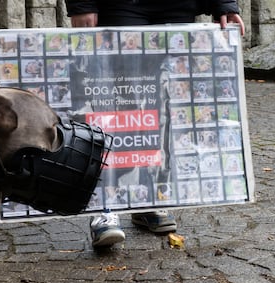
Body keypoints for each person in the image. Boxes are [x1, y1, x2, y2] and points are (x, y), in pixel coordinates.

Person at [64, 0, 245, 247]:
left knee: (163, 103)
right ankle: (105, 206)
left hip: (176, 6)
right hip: (121, 5)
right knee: (113, 99)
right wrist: (82, 3)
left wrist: (223, 3)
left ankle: (147, 199)